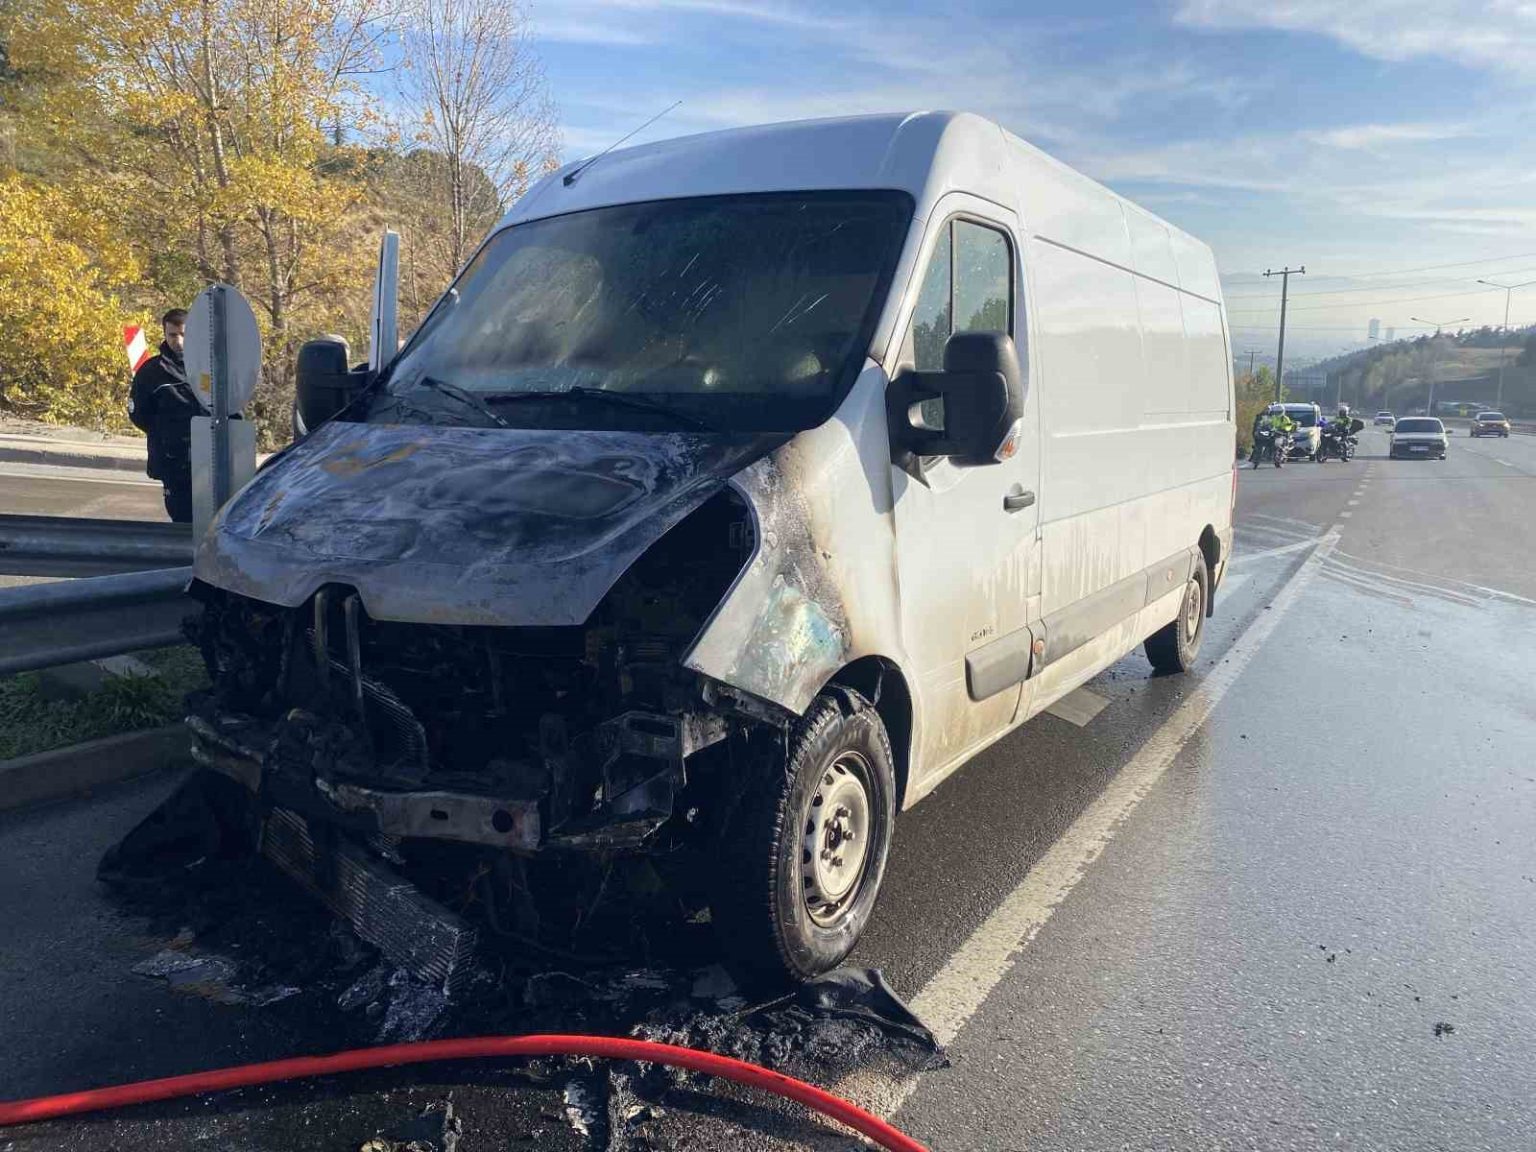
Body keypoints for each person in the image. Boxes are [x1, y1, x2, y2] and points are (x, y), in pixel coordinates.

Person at [129, 308, 201, 522]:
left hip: (207, 457)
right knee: (181, 518)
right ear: (165, 334)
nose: (178, 341)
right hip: (173, 460)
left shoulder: (209, 367)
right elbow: (139, 414)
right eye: (172, 335)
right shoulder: (152, 372)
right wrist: (167, 433)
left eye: (183, 334)